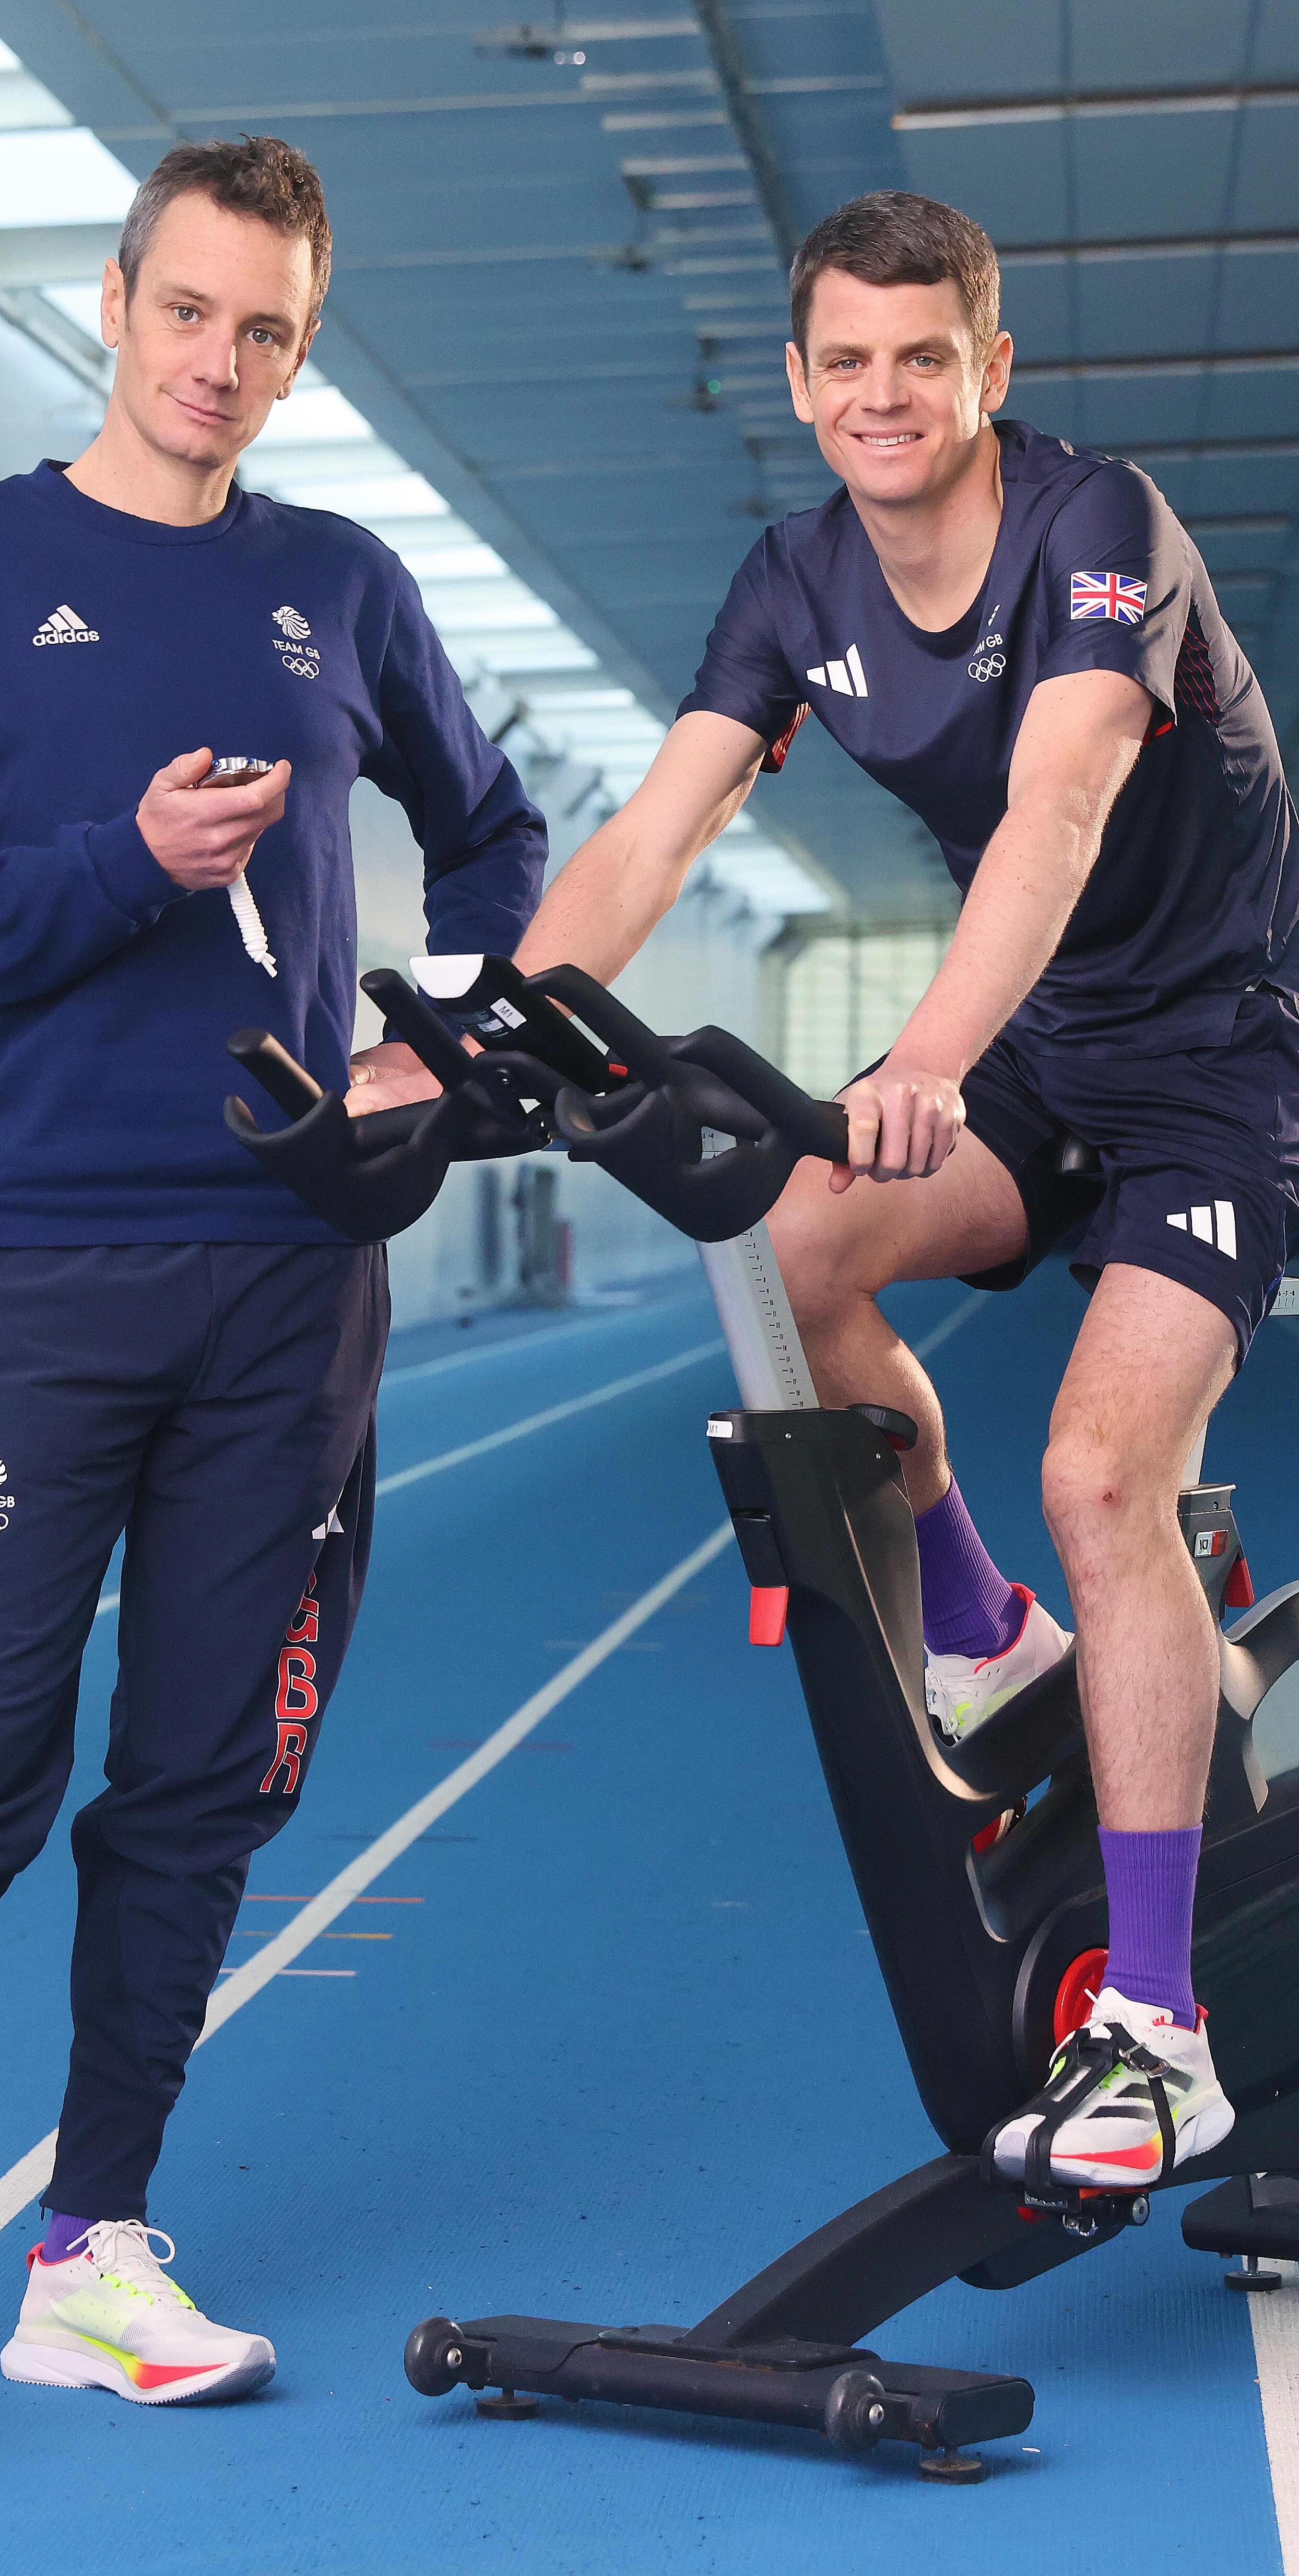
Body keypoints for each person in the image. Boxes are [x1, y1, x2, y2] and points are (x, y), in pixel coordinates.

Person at [488, 192, 1298, 2195]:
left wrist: (925, 1052)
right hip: (1046, 1052)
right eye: (843, 361)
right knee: (787, 1232)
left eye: (920, 357)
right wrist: (479, 1031)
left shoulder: (1099, 529)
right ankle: (990, 1636)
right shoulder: (791, 580)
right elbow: (651, 839)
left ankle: (1163, 2034)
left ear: (989, 370)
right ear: (798, 380)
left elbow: (1061, 806)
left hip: (1219, 1060)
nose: (881, 393)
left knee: (1108, 1473)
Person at [0, 136, 545, 2465]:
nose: (216, 364)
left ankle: (94, 2257)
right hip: (47, 1260)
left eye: (264, 330)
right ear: (118, 302)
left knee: (202, 1781)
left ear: (300, 344)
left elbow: (498, 831)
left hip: (300, 1278)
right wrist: (116, 867)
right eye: (184, 313)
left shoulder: (339, 585)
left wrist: (427, 1039)